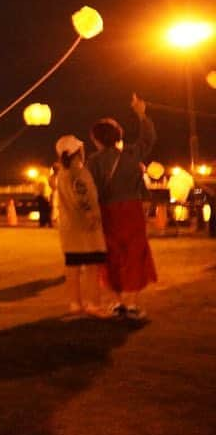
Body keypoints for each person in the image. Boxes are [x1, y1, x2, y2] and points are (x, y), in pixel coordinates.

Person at [86, 94, 158, 319]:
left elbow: (91, 191)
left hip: (108, 212)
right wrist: (141, 114)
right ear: (118, 136)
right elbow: (148, 138)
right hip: (132, 209)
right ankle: (133, 304)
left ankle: (117, 303)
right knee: (135, 254)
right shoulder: (131, 154)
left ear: (97, 140)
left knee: (112, 255)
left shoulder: (94, 161)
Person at [54, 135, 108, 317]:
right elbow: (83, 195)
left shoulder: (62, 173)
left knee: (73, 268)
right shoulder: (79, 172)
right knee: (92, 267)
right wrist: (91, 215)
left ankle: (75, 303)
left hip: (69, 229)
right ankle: (93, 303)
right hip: (85, 228)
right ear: (78, 152)